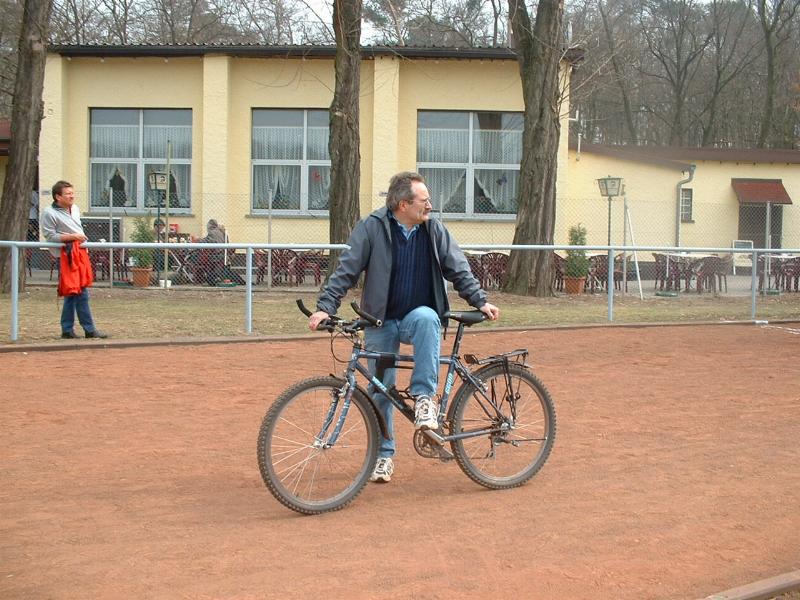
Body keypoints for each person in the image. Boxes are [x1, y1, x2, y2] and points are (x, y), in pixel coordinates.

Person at [308, 171, 499, 483]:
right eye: (424, 201)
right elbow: (346, 269)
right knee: (380, 390)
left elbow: (458, 267)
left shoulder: (433, 230)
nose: (430, 206)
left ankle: (425, 399)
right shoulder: (372, 227)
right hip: (380, 321)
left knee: (426, 318)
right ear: (403, 204)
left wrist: (480, 300)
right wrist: (325, 307)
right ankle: (383, 456)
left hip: (415, 319)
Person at [40, 180, 108, 339]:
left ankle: (67, 330)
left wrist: (78, 238)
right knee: (81, 293)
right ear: (58, 197)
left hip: (80, 253)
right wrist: (73, 237)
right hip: (66, 256)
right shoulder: (49, 213)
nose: (72, 196)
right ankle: (89, 330)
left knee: (72, 293)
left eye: (72, 193)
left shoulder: (75, 208)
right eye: (68, 194)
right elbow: (50, 236)